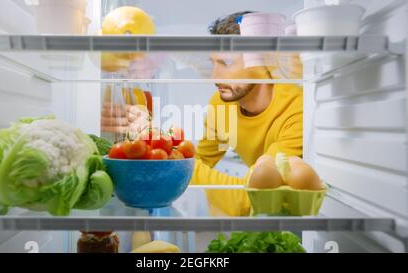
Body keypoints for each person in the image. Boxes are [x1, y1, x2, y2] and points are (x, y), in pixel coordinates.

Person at [101, 11, 303, 216]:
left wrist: (168, 156)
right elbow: (200, 162)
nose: (214, 76)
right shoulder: (221, 104)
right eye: (213, 63)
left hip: (298, 219)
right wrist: (154, 140)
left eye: (226, 63)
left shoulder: (296, 109)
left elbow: (252, 197)